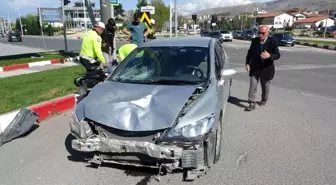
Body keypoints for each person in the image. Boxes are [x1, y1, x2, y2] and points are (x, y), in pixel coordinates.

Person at [245, 25, 281, 111]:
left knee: (265, 85)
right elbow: (249, 53)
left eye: (263, 33)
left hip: (267, 68)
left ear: (268, 33)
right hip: (255, 67)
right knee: (253, 84)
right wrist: (247, 63)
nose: (260, 35)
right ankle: (251, 102)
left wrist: (269, 55)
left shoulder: (273, 42)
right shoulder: (254, 41)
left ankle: (264, 99)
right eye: (259, 33)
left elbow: (277, 55)